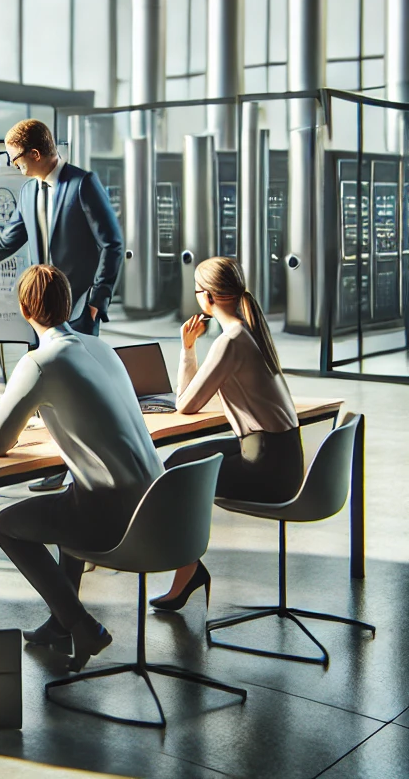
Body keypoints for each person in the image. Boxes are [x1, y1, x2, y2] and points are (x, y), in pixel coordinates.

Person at [0, 119, 123, 492]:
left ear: (34, 153)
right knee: (47, 393)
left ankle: (86, 472)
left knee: (78, 397)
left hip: (78, 307)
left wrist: (97, 301)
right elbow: (6, 241)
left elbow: (112, 244)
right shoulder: (29, 192)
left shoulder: (82, 184)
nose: (13, 166)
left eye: (15, 159)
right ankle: (56, 465)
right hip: (41, 310)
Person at [0, 265, 163, 670]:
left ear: (24, 308)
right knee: (72, 498)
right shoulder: (100, 348)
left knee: (6, 527)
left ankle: (81, 624)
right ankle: (61, 623)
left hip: (116, 517)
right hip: (157, 502)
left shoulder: (39, 361)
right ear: (70, 303)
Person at [150, 256, 302, 612]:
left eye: (196, 290)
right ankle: (187, 569)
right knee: (177, 463)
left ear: (209, 297)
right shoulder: (247, 333)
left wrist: (187, 349)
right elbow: (191, 399)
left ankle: (186, 571)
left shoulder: (230, 340)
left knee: (179, 476)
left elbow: (185, 404)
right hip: (276, 456)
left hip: (267, 469)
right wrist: (191, 351)